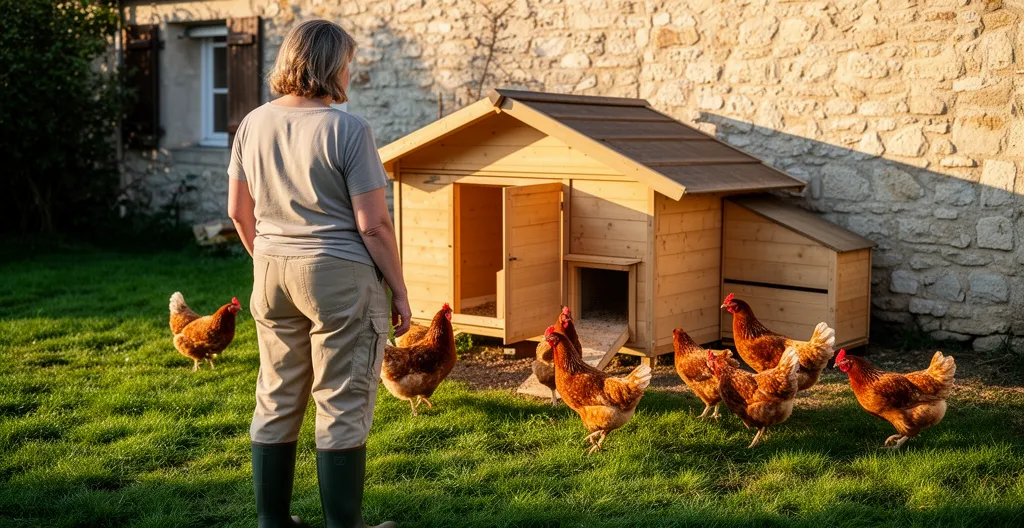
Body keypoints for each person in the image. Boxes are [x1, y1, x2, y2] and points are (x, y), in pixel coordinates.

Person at [227, 18, 410, 528]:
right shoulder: (348, 129)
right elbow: (373, 226)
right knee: (342, 399)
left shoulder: (252, 123)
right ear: (331, 66)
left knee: (277, 393)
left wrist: (268, 258)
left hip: (270, 270)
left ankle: (272, 522)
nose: (351, 74)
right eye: (349, 64)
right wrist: (399, 290)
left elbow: (239, 213)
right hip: (339, 276)